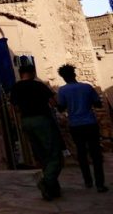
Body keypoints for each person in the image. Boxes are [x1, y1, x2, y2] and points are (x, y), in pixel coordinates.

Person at [10, 65, 64, 200]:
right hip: (42, 120)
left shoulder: (16, 88)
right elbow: (53, 102)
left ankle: (52, 189)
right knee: (54, 155)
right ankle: (47, 182)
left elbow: (15, 108)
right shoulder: (39, 86)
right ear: (33, 72)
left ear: (20, 73)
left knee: (41, 155)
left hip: (26, 122)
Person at [56, 64, 107, 192]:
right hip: (90, 123)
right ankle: (100, 184)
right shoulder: (87, 87)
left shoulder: (62, 91)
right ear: (74, 74)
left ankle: (88, 181)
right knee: (95, 153)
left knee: (81, 153)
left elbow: (61, 107)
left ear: (63, 77)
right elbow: (98, 104)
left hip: (75, 125)